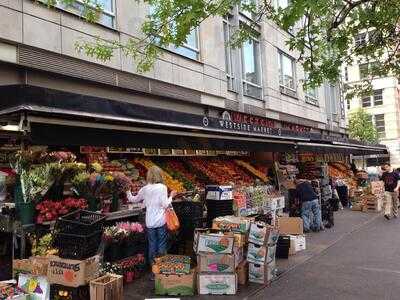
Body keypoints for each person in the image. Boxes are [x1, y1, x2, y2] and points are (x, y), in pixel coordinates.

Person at [126, 166, 177, 265]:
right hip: (161, 221)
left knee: (152, 245)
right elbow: (166, 205)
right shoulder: (162, 187)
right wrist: (171, 196)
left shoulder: (145, 189)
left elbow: (133, 199)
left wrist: (128, 191)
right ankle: (161, 267)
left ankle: (153, 268)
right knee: (161, 244)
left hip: (150, 222)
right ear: (160, 175)